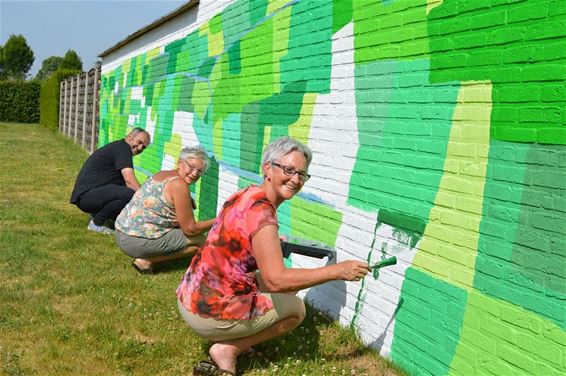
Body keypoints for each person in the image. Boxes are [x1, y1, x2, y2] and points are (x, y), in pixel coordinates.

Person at [176, 137, 371, 376]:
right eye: (288, 170)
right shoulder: (263, 214)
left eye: (302, 174)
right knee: (296, 308)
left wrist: (263, 244)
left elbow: (233, 236)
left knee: (287, 290)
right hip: (207, 311)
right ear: (267, 168)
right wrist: (338, 271)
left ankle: (233, 336)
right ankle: (228, 350)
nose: (296, 179)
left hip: (191, 294)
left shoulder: (245, 194)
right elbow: (277, 279)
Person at [114, 146, 216, 274]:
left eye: (200, 171)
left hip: (121, 232)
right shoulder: (179, 185)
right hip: (135, 241)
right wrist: (219, 219)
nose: (195, 173)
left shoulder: (162, 174)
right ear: (180, 162)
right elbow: (190, 229)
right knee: (200, 240)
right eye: (191, 167)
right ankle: (146, 260)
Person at [70, 127, 151, 234]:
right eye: (139, 142)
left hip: (86, 196)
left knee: (126, 193)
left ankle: (100, 217)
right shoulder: (123, 149)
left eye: (143, 147)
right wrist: (147, 200)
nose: (140, 147)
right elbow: (130, 180)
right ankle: (96, 223)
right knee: (130, 194)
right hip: (87, 196)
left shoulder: (119, 147)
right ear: (130, 136)